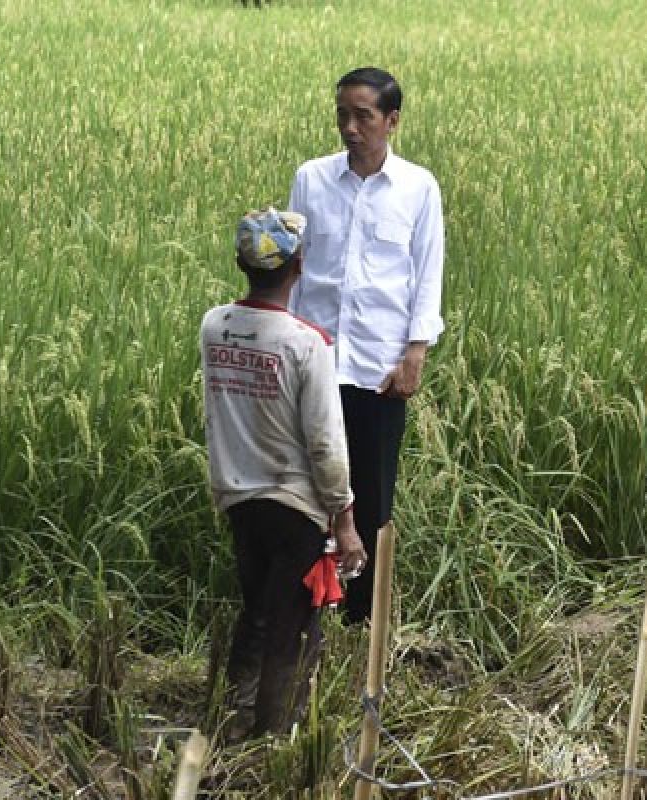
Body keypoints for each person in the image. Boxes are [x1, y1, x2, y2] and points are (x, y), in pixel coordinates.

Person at [201, 207, 367, 740]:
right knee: (291, 626)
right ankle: (274, 735)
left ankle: (232, 716)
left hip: (237, 497)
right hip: (295, 506)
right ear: (299, 266)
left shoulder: (215, 326)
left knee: (256, 608)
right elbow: (325, 442)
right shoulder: (304, 344)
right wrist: (344, 520)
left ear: (239, 263)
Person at [288, 66, 445, 624]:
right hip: (315, 364)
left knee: (372, 499)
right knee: (308, 492)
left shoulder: (417, 188)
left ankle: (361, 623)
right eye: (342, 115)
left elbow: (427, 275)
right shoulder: (311, 179)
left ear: (392, 121)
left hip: (378, 369)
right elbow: (296, 268)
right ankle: (309, 608)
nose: (350, 127)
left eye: (363, 116)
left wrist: (415, 353)